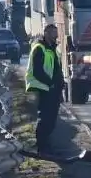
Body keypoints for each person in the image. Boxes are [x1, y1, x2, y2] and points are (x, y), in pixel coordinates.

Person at [24, 24, 66, 154]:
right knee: (45, 118)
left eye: (56, 32)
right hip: (42, 87)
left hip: (52, 89)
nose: (56, 35)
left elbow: (56, 69)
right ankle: (42, 146)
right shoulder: (39, 48)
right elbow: (37, 71)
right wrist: (51, 83)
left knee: (51, 118)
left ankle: (46, 144)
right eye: (53, 33)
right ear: (46, 33)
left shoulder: (52, 49)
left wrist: (61, 83)